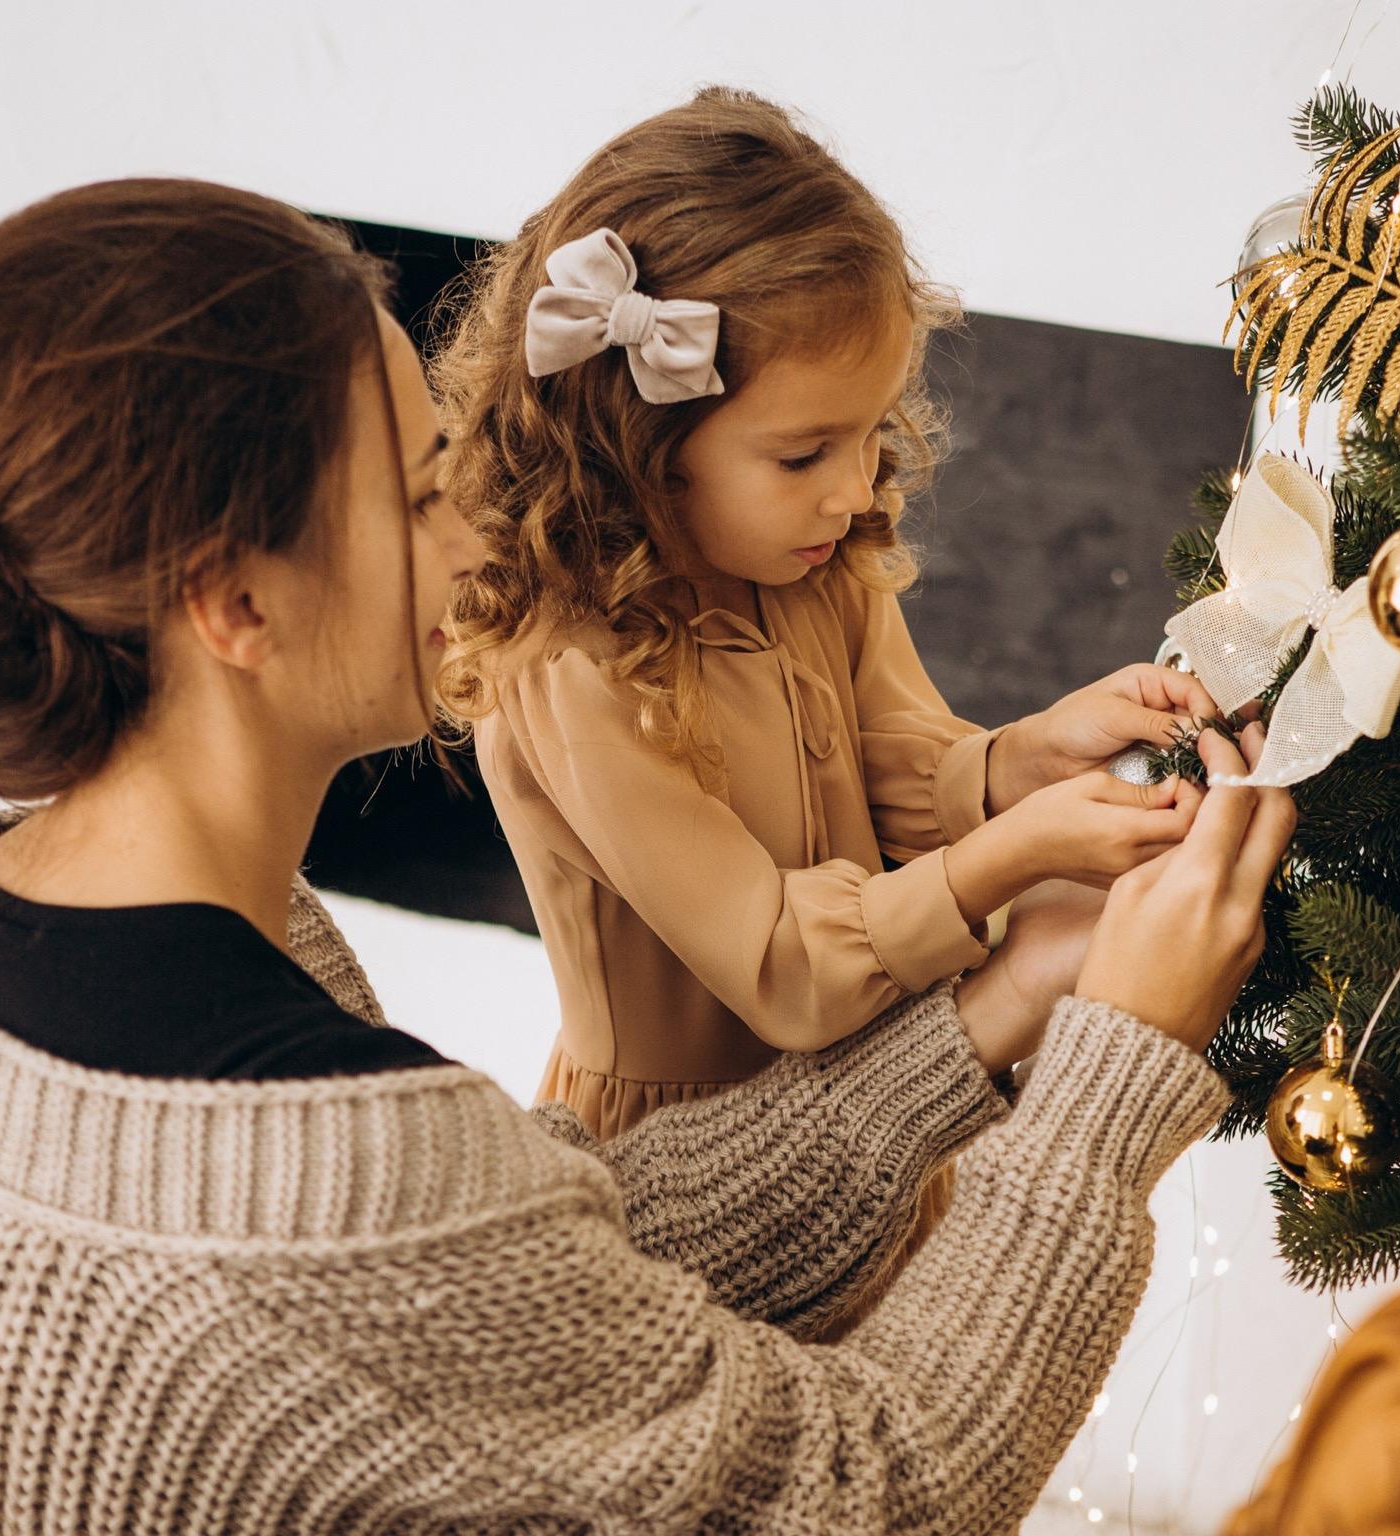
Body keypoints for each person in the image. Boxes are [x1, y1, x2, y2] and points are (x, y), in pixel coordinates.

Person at [0, 175, 1294, 1531]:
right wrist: (1113, 1075)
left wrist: (1006, 1000)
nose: (476, 528)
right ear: (232, 606)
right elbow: (863, 1488)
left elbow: (537, 1270)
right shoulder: (320, 1180)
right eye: (414, 488)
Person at [435, 87, 1222, 1139]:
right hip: (686, 1164)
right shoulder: (572, 665)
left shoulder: (810, 559)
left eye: (868, 433)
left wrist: (1021, 761)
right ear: (642, 441)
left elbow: (884, 760)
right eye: (805, 453)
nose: (857, 491)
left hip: (880, 1095)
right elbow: (779, 967)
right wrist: (1017, 854)